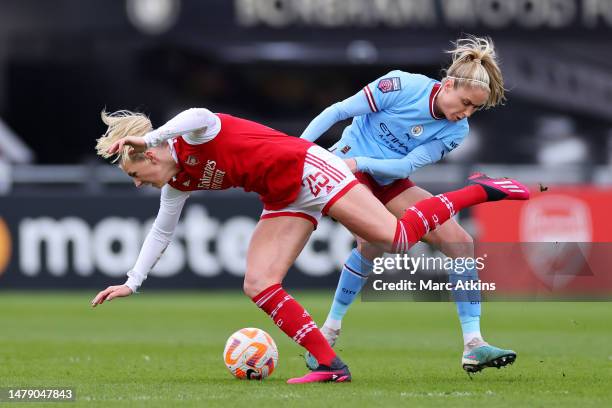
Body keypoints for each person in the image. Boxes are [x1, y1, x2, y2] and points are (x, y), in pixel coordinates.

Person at [90, 107, 529, 383]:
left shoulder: (191, 136)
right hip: (283, 197)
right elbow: (162, 232)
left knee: (395, 239)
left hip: (310, 169)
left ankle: (479, 190)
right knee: (259, 282)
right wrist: (133, 280)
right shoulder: (177, 182)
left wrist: (148, 137)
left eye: (134, 174)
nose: (137, 184)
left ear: (149, 155)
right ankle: (329, 365)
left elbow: (201, 114)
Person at [300, 35, 515, 373]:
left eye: (475, 108)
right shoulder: (400, 85)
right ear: (447, 84)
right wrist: (299, 152)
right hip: (342, 169)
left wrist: (362, 164)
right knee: (374, 242)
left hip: (380, 175)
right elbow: (338, 111)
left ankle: (474, 343)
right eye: (465, 102)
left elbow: (405, 167)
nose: (466, 113)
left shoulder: (456, 131)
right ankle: (329, 331)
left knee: (460, 242)